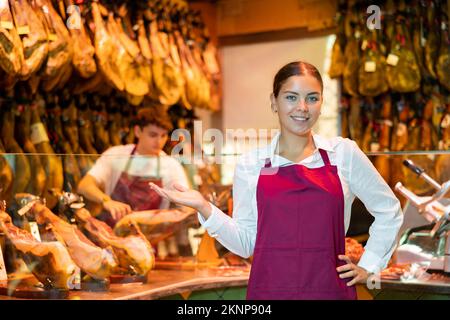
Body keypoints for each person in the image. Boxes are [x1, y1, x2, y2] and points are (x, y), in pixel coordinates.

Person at [149, 61, 404, 300]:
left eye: (312, 98)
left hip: (329, 291)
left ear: (321, 102)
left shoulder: (343, 154)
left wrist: (370, 265)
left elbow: (388, 210)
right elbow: (247, 242)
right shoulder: (252, 164)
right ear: (274, 102)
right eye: (291, 97)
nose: (302, 107)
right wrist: (204, 207)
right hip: (269, 293)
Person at [77, 106, 192, 257]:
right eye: (153, 135)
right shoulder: (117, 155)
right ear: (138, 131)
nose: (159, 141)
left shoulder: (170, 166)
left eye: (163, 136)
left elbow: (187, 206)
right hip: (109, 243)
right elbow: (84, 186)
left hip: (146, 248)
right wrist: (106, 201)